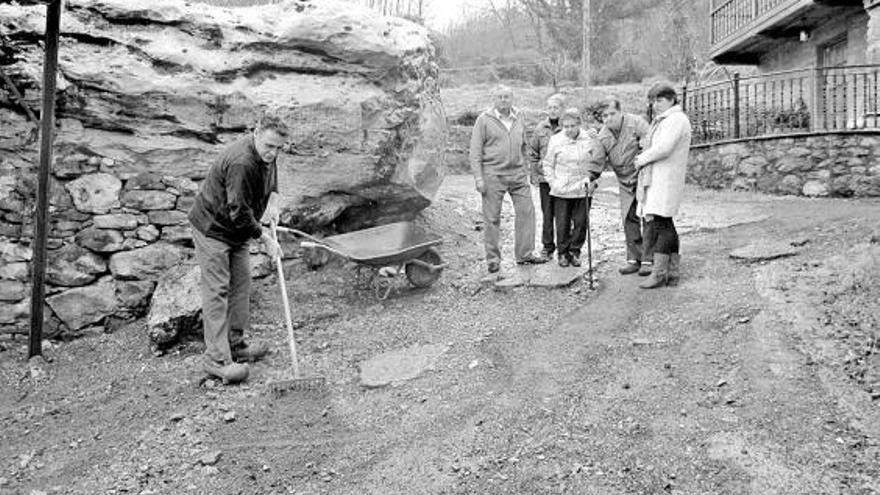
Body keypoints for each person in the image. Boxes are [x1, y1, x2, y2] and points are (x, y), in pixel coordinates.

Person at [188, 112, 287, 383]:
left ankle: (236, 344)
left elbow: (271, 177)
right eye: (269, 146)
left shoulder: (268, 153)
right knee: (217, 291)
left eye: (279, 148)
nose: (273, 153)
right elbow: (239, 212)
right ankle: (216, 360)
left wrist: (274, 202)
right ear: (256, 134)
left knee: (241, 285)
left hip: (237, 229)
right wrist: (265, 238)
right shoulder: (242, 162)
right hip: (214, 229)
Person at [469, 85, 548, 273]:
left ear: (512, 99)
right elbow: (475, 153)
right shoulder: (484, 120)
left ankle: (525, 254)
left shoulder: (519, 116)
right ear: (494, 99)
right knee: (492, 218)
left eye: (507, 96)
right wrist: (479, 179)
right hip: (492, 174)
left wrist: (527, 169)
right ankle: (493, 260)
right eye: (500, 97)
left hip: (518, 174)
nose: (503, 100)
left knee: (527, 212)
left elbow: (524, 145)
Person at [634, 83, 692, 289]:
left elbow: (664, 148)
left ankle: (659, 273)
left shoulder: (676, 119)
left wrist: (642, 159)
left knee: (662, 225)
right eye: (653, 101)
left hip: (666, 179)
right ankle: (673, 272)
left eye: (660, 100)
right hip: (660, 177)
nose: (656, 104)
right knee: (666, 223)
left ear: (672, 100)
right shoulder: (665, 120)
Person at [593, 99, 652, 276]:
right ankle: (634, 258)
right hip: (624, 180)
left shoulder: (636, 122)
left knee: (647, 216)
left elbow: (650, 140)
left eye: (612, 114)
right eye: (604, 116)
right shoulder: (602, 135)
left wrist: (644, 153)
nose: (608, 118)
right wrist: (591, 177)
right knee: (628, 217)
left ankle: (649, 259)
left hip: (644, 175)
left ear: (620, 112)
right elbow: (597, 159)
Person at [542, 107, 604, 267]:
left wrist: (593, 180)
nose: (569, 130)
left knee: (581, 222)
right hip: (561, 189)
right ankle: (562, 253)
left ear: (579, 125)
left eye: (573, 126)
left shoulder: (589, 138)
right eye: (566, 126)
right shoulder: (555, 140)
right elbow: (548, 164)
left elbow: (597, 160)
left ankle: (575, 251)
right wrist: (552, 182)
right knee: (562, 223)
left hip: (583, 188)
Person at [528, 94, 565, 260]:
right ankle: (548, 247)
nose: (552, 110)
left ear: (561, 109)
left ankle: (566, 249)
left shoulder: (568, 127)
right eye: (549, 107)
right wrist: (534, 174)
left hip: (564, 178)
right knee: (547, 213)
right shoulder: (540, 129)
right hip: (545, 180)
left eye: (556, 107)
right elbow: (533, 153)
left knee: (564, 214)